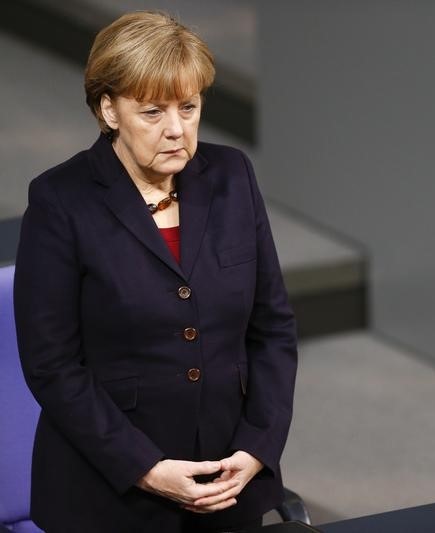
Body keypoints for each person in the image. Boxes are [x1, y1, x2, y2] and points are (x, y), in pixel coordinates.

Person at [13, 11, 297, 533]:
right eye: (151, 112)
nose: (176, 129)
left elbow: (273, 328)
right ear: (108, 110)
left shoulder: (232, 176)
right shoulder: (60, 200)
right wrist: (145, 468)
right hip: (109, 495)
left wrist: (257, 446)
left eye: (188, 108)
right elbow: (53, 367)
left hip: (225, 483)